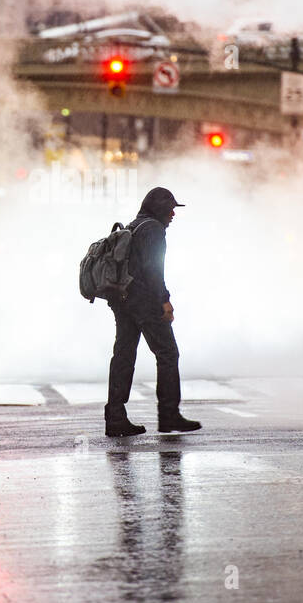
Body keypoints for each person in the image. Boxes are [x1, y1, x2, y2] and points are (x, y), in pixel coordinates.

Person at [105, 187, 201, 437]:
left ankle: (115, 417)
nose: (173, 214)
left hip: (122, 299)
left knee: (123, 355)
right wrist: (164, 300)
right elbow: (153, 270)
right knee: (168, 353)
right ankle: (169, 415)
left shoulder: (135, 224)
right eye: (170, 208)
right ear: (159, 208)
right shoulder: (154, 230)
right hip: (144, 301)